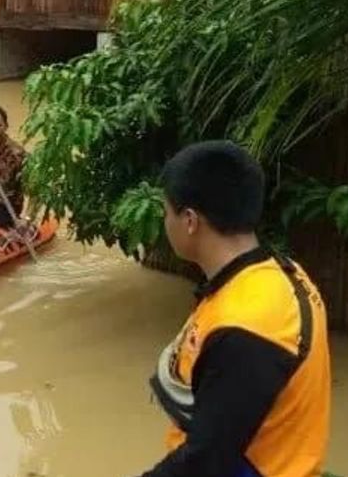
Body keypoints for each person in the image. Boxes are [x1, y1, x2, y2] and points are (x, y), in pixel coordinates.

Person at [141, 141, 330, 477]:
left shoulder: (247, 328)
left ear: (189, 221)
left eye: (165, 211)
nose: (164, 221)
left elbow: (206, 461)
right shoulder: (280, 271)